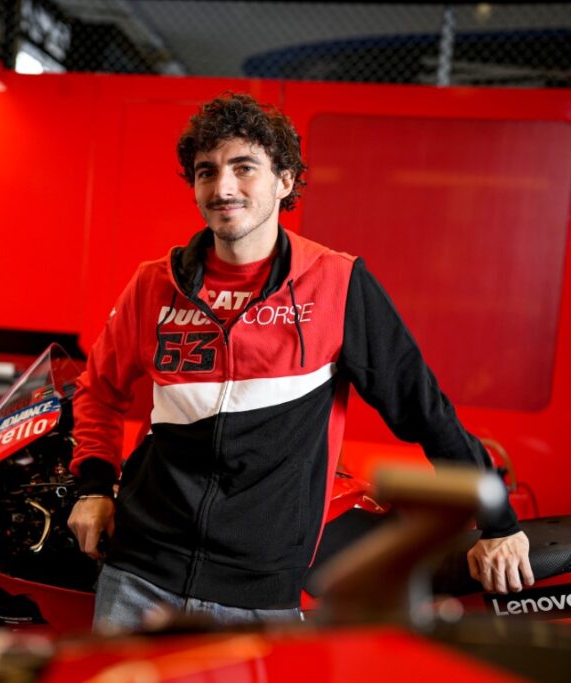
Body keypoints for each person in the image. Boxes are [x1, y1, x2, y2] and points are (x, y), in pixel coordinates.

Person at [67, 91, 533, 632]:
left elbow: (422, 410)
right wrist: (94, 487)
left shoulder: (336, 283)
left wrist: (498, 523)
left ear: (285, 181)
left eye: (244, 168)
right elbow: (98, 389)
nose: (223, 188)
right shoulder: (155, 284)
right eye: (206, 171)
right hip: (139, 573)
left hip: (261, 589)